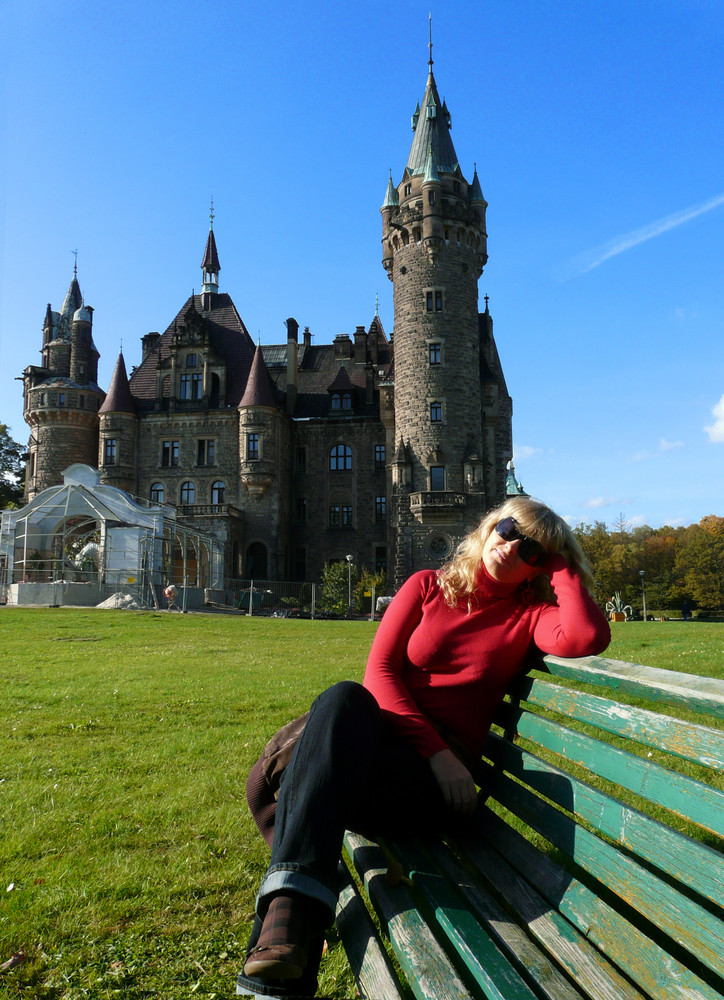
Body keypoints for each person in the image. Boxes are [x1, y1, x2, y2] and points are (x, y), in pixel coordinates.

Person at [237, 496, 610, 998]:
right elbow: (381, 675)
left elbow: (587, 635)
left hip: (430, 790)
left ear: (540, 567)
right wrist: (437, 751)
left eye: (533, 552)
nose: (513, 549)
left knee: (301, 779)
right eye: (507, 531)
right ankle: (293, 933)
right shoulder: (427, 586)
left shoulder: (532, 615)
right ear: (486, 529)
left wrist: (563, 561)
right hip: (401, 755)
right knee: (346, 695)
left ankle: (285, 931)